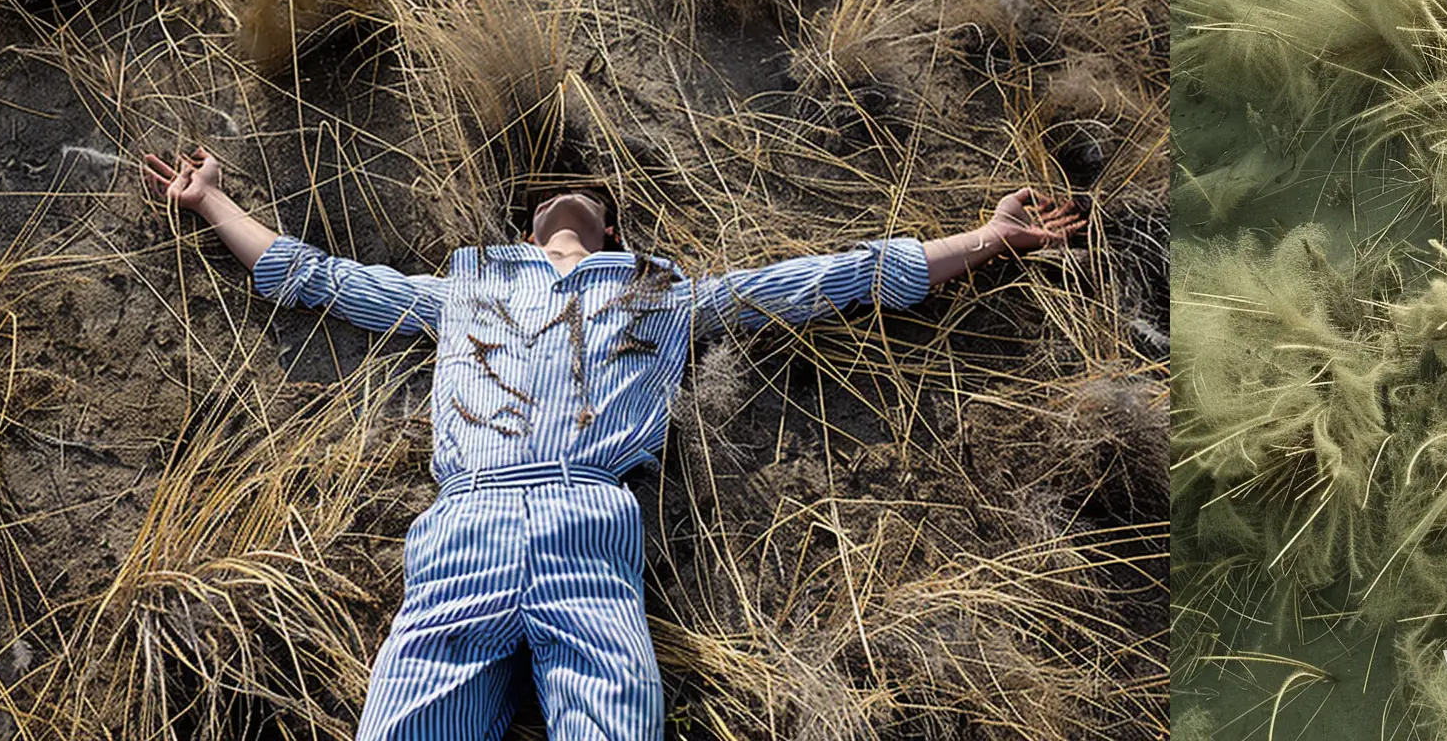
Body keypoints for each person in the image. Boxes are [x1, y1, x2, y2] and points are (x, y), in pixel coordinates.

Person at [138, 147, 1082, 740]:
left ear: (614, 228)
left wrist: (986, 242)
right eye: (551, 199)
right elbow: (318, 277)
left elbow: (825, 280)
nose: (570, 200)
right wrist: (212, 202)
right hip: (461, 528)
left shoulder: (662, 295)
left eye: (590, 197)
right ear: (522, 230)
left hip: (591, 524)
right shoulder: (460, 291)